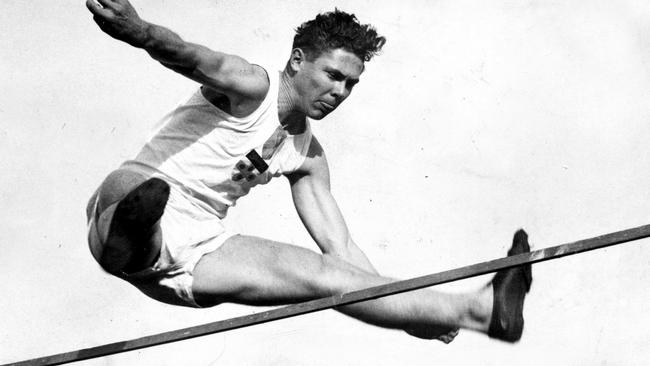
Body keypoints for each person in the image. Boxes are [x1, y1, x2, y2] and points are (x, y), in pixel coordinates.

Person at [85, 0, 532, 344]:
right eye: (332, 74)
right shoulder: (252, 87)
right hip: (139, 204)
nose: (339, 92)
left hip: (203, 251)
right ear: (298, 61)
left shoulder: (308, 156)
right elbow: (189, 56)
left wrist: (417, 317)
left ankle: (482, 310)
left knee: (323, 276)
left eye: (350, 84)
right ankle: (133, 229)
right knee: (130, 186)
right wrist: (139, 31)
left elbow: (342, 252)